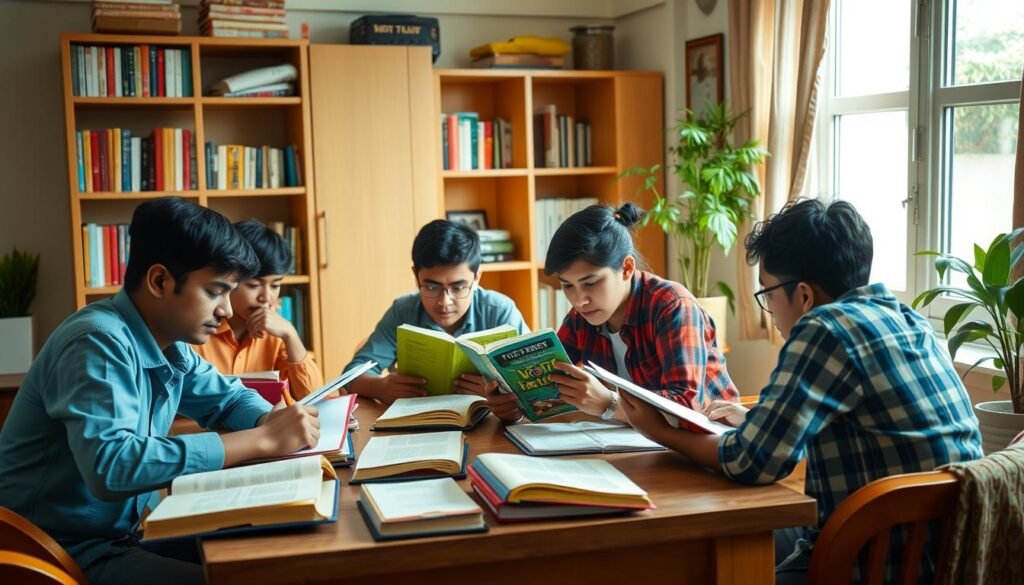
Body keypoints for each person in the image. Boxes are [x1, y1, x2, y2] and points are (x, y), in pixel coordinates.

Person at [618, 198, 984, 584]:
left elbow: (751, 462)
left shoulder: (824, 329)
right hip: (941, 554)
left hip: (868, 560)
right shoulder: (904, 316)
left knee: (703, 550)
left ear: (805, 295)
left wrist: (659, 432)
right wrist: (758, 420)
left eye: (768, 295)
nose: (770, 311)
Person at [0, 197, 322, 585]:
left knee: (275, 552)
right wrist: (264, 439)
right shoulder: (96, 342)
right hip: (59, 551)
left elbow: (228, 396)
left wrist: (269, 417)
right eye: (215, 291)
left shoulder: (170, 342)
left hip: (126, 533)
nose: (225, 310)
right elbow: (113, 466)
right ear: (159, 281)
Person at [486, 202, 738, 423]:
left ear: (627, 268)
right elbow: (553, 384)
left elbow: (685, 406)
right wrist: (515, 406)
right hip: (633, 440)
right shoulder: (582, 317)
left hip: (707, 440)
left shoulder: (672, 306)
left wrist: (609, 404)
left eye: (591, 283)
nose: (579, 300)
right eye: (567, 286)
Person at [342, 219, 528, 403]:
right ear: (416, 276)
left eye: (458, 288)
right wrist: (381, 387)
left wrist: (499, 392)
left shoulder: (500, 311)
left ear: (477, 277)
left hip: (487, 425)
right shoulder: (403, 312)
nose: (444, 302)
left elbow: (532, 377)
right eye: (432, 287)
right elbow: (350, 375)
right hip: (417, 425)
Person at [192, 219, 324, 402]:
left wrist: (291, 336)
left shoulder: (277, 335)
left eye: (275, 285)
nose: (267, 297)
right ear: (227, 280)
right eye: (254, 285)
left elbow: (315, 399)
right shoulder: (195, 332)